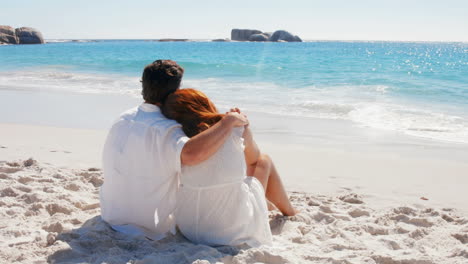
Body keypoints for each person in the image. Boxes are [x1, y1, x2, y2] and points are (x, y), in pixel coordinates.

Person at [99, 60, 248, 240]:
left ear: (143, 85)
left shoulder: (123, 117)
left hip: (111, 214)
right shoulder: (167, 129)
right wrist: (227, 122)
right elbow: (191, 155)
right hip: (147, 227)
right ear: (176, 91)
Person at [162, 88, 296, 247]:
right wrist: (245, 128)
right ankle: (290, 212)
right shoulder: (235, 129)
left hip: (189, 228)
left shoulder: (176, 139)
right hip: (230, 232)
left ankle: (267, 204)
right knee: (263, 161)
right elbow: (254, 159)